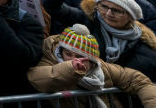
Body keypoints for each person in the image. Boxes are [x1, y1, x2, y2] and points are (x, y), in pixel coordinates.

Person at [43, 0, 156, 78]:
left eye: (116, 11)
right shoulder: (85, 20)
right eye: (104, 7)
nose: (108, 13)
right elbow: (52, 6)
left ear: (130, 17)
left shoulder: (142, 45)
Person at [27, 24, 156, 104]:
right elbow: (38, 78)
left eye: (79, 56)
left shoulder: (100, 66)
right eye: (68, 54)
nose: (73, 59)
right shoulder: (50, 58)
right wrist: (71, 69)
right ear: (61, 51)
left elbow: (138, 80)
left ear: (91, 59)